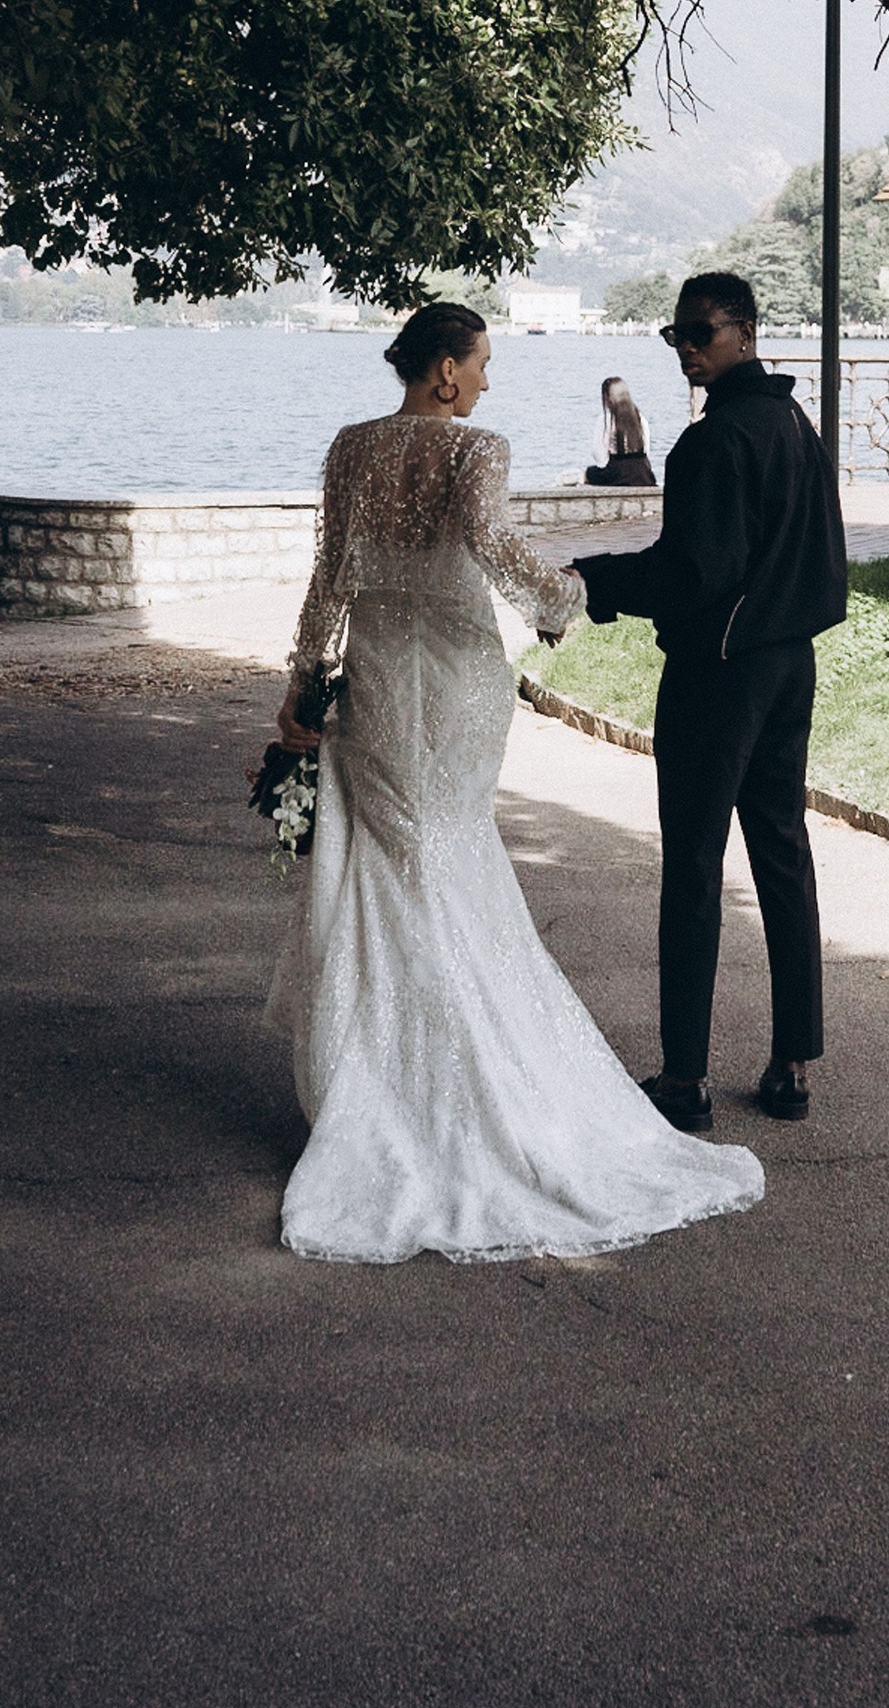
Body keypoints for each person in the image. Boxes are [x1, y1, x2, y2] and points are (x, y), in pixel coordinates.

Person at [265, 300, 763, 1263]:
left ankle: (383, 1084)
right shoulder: (473, 450)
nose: (489, 381)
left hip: (374, 678)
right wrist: (565, 598)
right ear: (445, 371)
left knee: (388, 866)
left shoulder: (350, 449)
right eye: (482, 363)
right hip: (452, 686)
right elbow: (494, 549)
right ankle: (471, 1084)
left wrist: (303, 683)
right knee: (446, 860)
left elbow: (329, 574)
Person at [577, 272, 847, 1130]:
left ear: (746, 331)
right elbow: (821, 557)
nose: (687, 346)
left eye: (701, 331)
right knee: (781, 853)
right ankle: (791, 1063)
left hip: (717, 673)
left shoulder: (710, 443)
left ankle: (686, 1078)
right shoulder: (797, 428)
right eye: (675, 334)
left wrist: (593, 580)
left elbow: (692, 575)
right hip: (788, 664)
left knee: (693, 865)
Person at [582, 372, 656, 487]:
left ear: (608, 398)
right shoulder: (641, 418)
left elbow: (599, 456)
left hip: (617, 473)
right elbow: (646, 450)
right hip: (642, 473)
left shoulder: (606, 420)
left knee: (589, 473)